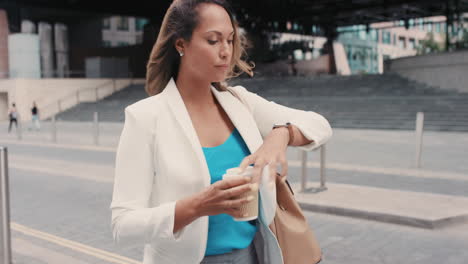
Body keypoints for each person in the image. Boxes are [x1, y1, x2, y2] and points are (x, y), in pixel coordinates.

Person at [109, 1, 332, 263]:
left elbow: (319, 124)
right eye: (213, 41)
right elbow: (122, 225)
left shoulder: (240, 102)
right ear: (181, 44)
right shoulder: (145, 117)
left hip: (252, 256)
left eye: (230, 40)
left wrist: (280, 135)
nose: (226, 51)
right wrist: (197, 206)